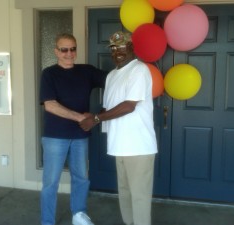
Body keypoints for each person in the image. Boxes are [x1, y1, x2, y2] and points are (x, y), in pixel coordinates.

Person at [80, 31, 157, 225]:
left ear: (131, 47)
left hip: (138, 146)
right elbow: (110, 106)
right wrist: (91, 116)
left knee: (139, 196)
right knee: (124, 193)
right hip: (119, 144)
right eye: (113, 48)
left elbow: (129, 106)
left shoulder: (139, 70)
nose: (117, 52)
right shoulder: (112, 75)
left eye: (121, 46)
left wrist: (96, 119)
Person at [40, 33, 107, 225]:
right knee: (50, 183)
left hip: (80, 136)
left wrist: (103, 112)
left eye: (73, 48)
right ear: (56, 51)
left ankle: (78, 215)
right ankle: (47, 221)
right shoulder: (49, 74)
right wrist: (84, 118)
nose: (69, 53)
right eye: (64, 49)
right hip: (55, 136)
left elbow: (114, 80)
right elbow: (50, 105)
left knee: (81, 178)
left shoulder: (86, 71)